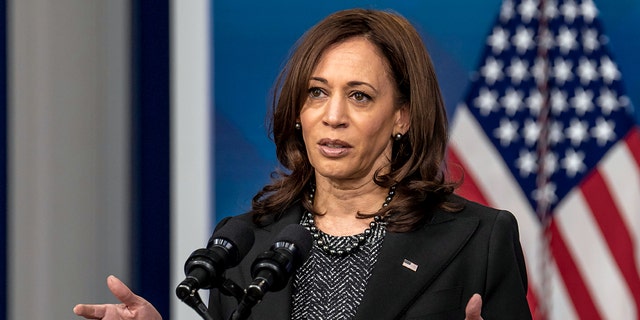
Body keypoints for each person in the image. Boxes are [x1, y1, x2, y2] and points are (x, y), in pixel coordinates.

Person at [74, 8, 531, 320]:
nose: (333, 116)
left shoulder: (480, 240)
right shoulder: (242, 242)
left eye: (359, 96)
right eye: (317, 92)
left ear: (402, 117)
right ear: (297, 110)